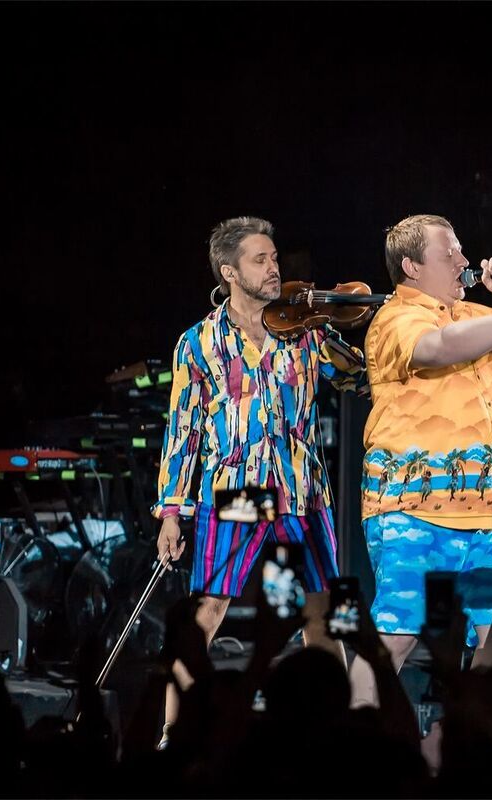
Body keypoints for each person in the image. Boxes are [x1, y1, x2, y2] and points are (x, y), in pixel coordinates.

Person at [350, 213, 492, 705]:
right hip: (414, 513)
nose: (463, 260)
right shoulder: (396, 319)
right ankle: (356, 731)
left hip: (487, 522)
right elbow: (437, 348)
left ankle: (472, 735)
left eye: (460, 250)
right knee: (396, 636)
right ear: (412, 267)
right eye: (449, 252)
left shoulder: (480, 316)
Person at [153, 216, 366, 740]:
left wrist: (338, 329)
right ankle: (173, 735)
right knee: (208, 609)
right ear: (229, 272)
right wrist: (172, 512)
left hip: (303, 489)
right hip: (238, 492)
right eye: (260, 260)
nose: (275, 268)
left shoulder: (304, 328)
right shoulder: (198, 342)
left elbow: (359, 378)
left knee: (325, 612)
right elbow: (182, 431)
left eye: (274, 258)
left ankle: (335, 731)